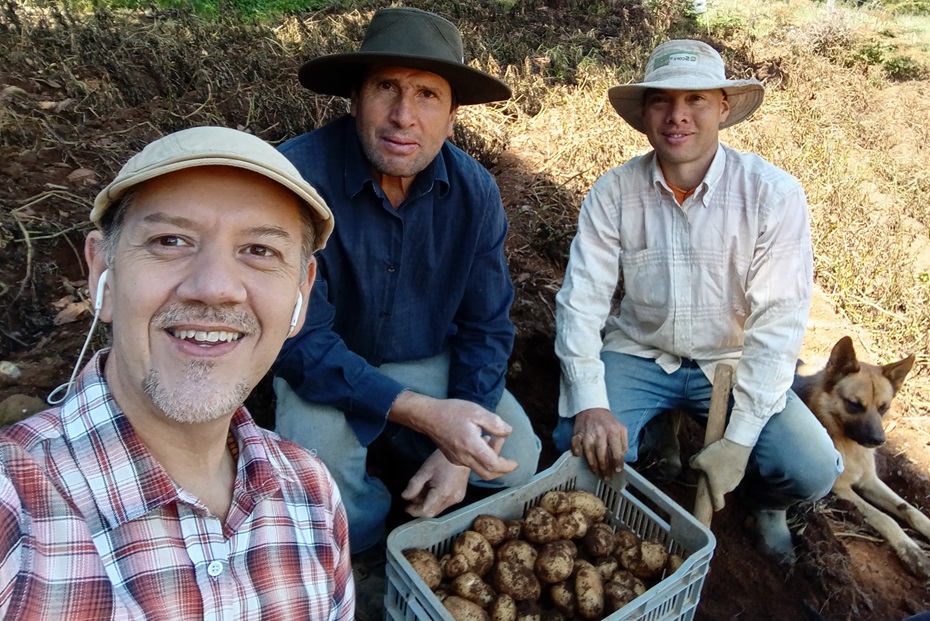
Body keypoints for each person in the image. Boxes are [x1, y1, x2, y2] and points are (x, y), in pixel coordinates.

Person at [0, 126, 354, 619]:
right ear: (102, 270)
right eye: (171, 240)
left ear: (302, 294)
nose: (215, 287)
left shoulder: (312, 493)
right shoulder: (12, 510)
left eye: (260, 250)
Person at [554, 39, 842, 562]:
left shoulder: (772, 194)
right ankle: (649, 443)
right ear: (644, 112)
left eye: (697, 101)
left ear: (724, 108)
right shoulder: (614, 192)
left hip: (728, 362)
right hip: (642, 352)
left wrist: (741, 438)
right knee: (576, 449)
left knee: (811, 468)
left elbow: (778, 322)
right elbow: (582, 301)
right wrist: (592, 403)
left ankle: (766, 502)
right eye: (662, 100)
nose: (677, 116)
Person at [273, 6, 540, 562]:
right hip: (325, 364)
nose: (403, 116)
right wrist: (424, 415)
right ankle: (367, 546)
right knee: (321, 480)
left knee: (523, 456)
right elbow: (297, 341)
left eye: (427, 95)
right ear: (354, 100)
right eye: (386, 88)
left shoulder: (475, 193)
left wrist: (457, 450)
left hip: (423, 357)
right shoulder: (294, 179)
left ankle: (418, 470)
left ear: (452, 116)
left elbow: (487, 324)